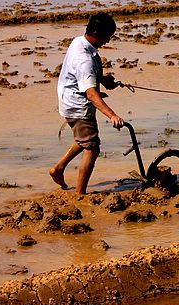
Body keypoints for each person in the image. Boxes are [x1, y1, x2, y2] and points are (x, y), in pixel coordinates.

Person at [49, 13, 124, 194]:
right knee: (92, 147)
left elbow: (87, 78)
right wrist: (112, 115)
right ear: (97, 33)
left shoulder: (79, 42)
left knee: (84, 139)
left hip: (69, 99)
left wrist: (104, 80)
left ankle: (58, 169)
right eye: (107, 37)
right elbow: (91, 93)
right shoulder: (84, 60)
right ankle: (80, 193)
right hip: (78, 105)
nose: (108, 41)